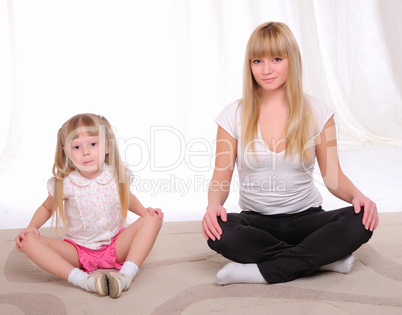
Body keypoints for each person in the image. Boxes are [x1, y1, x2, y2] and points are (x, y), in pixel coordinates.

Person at [202, 22, 379, 285]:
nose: (266, 69)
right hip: (256, 222)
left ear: (291, 61)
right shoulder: (232, 115)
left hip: (308, 218)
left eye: (276, 59)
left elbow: (333, 177)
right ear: (249, 65)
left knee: (360, 221)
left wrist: (358, 197)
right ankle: (324, 259)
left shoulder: (318, 113)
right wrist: (213, 206)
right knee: (219, 232)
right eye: (257, 60)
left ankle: (260, 271)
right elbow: (221, 175)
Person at [15, 113, 164, 298]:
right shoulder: (66, 183)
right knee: (27, 242)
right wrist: (31, 227)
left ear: (107, 146)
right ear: (66, 152)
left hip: (115, 246)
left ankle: (125, 276)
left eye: (93, 144)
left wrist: (143, 211)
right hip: (78, 251)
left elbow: (127, 197)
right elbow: (47, 208)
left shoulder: (116, 174)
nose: (86, 152)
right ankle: (85, 281)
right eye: (77, 147)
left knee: (154, 217)